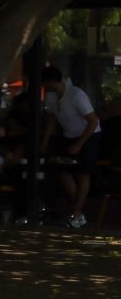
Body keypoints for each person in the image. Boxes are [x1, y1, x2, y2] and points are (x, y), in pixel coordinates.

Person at [41, 64, 101, 228]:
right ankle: (78, 210)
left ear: (52, 81)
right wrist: (45, 141)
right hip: (69, 136)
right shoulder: (51, 97)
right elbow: (52, 119)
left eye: (45, 83)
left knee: (83, 174)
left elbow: (93, 120)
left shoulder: (76, 94)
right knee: (62, 170)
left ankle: (76, 212)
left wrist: (79, 144)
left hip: (89, 135)